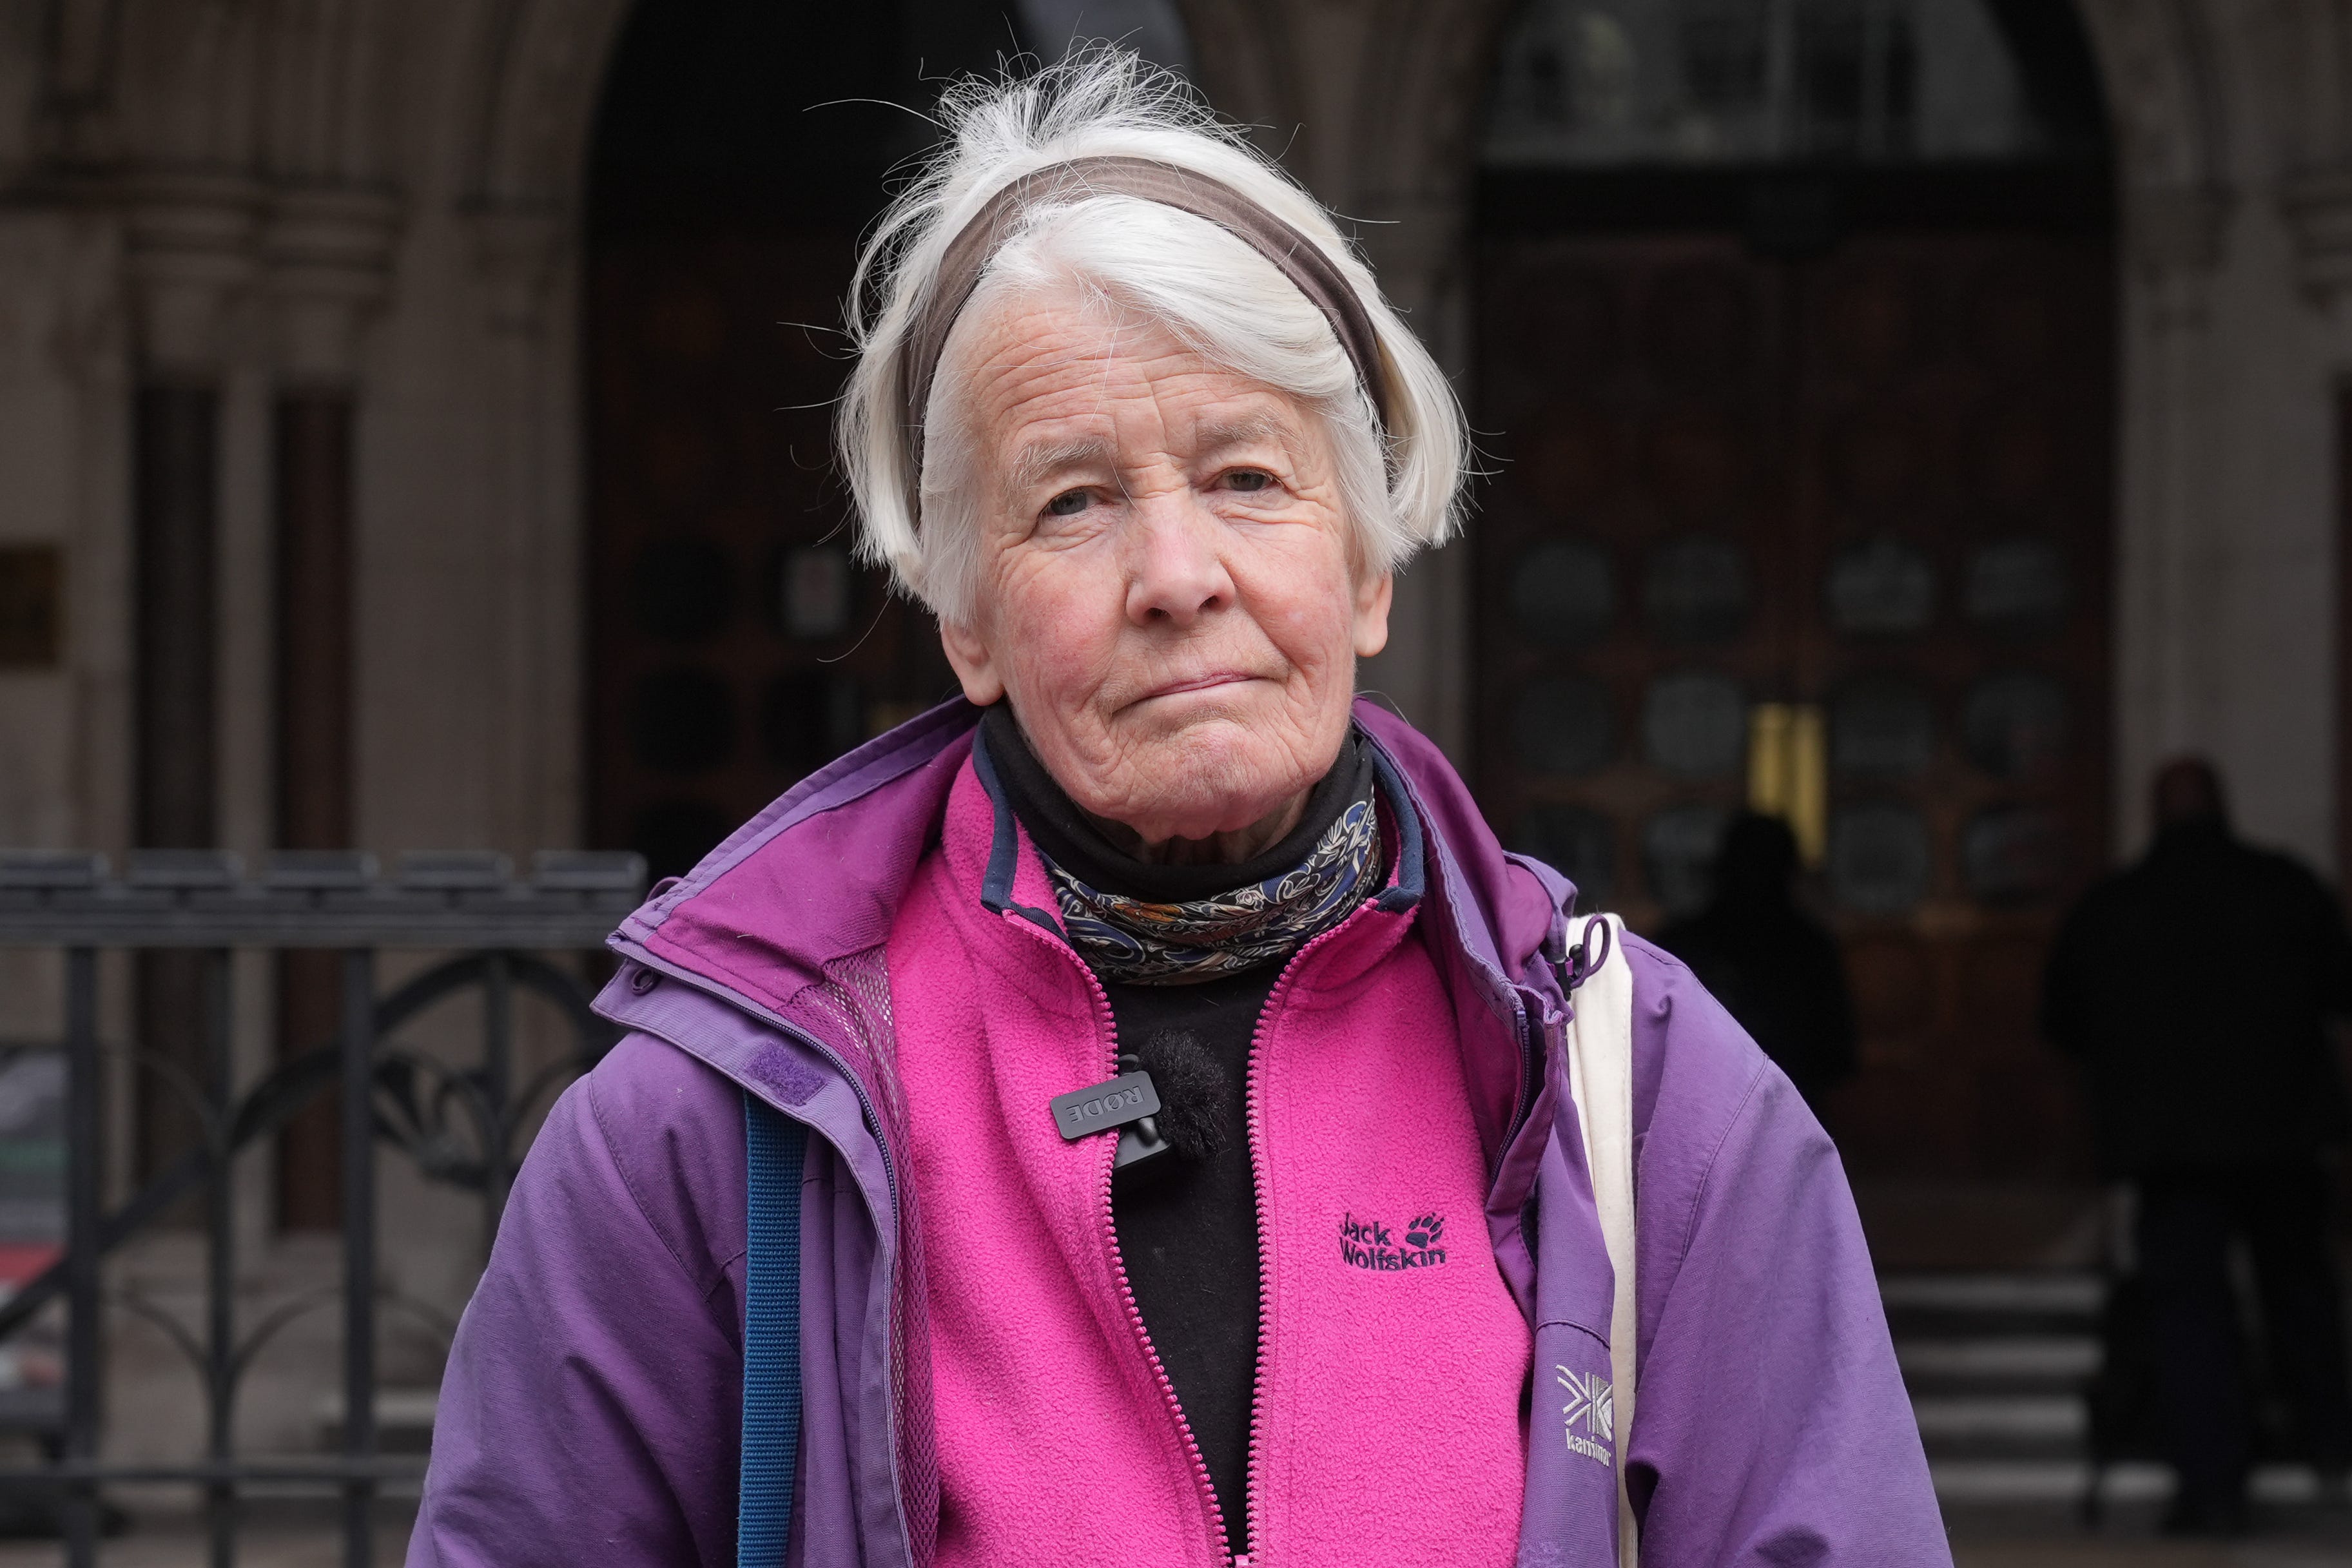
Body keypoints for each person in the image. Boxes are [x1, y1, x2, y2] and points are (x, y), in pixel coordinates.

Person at [407, 52, 1945, 1566]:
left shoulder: (1631, 1096)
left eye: (1247, 476)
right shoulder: (717, 1123)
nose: (1178, 574)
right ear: (966, 622)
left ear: (1364, 569)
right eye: (1072, 501)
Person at [2043, 757, 2352, 1534]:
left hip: (2169, 1148)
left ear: (2155, 813)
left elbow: (2063, 1021)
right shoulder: (2284, 889)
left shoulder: (2114, 907)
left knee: (2190, 1315)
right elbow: (2339, 988)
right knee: (2299, 1290)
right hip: (2281, 1136)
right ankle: (2327, 1443)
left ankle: (2213, 1486)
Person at [1657, 812, 1858, 1114]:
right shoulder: (1680, 947)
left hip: (1775, 1111)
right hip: (1732, 1112)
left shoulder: (1811, 950)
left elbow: (1835, 1054)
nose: (1753, 880)